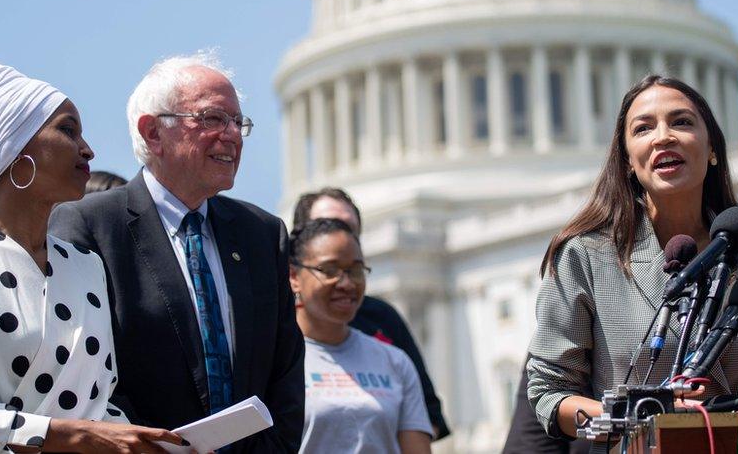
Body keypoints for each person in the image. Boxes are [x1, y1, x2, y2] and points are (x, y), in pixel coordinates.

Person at [0, 64, 186, 454]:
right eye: (68, 130)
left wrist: (158, 445)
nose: (88, 149)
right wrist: (68, 435)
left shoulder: (86, 266)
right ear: (16, 149)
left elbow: (99, 408)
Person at [527, 75, 738, 449]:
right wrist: (640, 416)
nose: (663, 137)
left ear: (712, 149)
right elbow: (549, 391)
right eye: (643, 128)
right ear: (627, 160)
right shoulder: (584, 254)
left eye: (682, 122)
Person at [50, 52, 304, 452]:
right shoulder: (90, 227)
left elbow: (285, 373)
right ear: (153, 133)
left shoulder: (262, 234)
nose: (233, 135)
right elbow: (80, 372)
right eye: (212, 119)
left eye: (238, 122)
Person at [291, 187, 450, 440]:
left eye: (349, 230)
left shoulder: (387, 335)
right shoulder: (273, 339)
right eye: (326, 227)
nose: (340, 237)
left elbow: (427, 414)